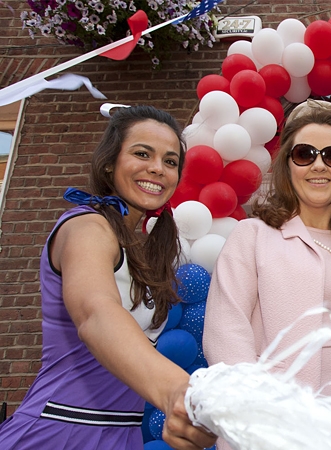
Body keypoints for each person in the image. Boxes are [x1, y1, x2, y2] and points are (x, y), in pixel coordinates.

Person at [0, 105, 217, 450]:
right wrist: (175, 389)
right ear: (108, 163)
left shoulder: (143, 246)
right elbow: (96, 311)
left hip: (122, 434)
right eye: (142, 153)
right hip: (64, 430)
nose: (157, 168)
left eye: (170, 161)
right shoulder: (87, 226)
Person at [203, 99, 331, 448]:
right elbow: (226, 334)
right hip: (272, 425)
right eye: (305, 154)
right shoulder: (252, 236)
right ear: (288, 164)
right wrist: (261, 412)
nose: (319, 165)